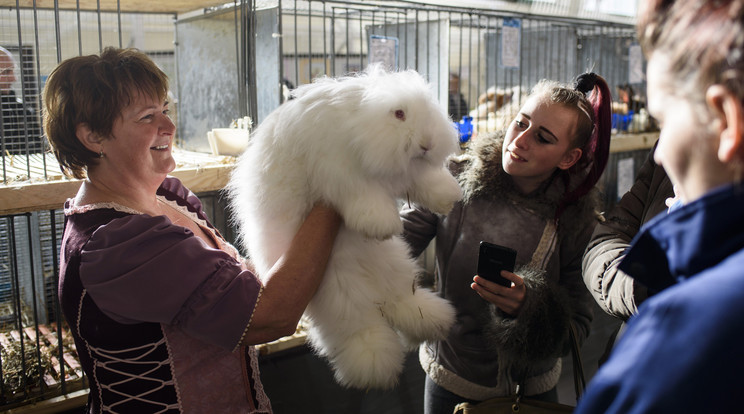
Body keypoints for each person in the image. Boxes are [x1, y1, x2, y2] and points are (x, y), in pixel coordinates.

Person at [44, 47, 341, 413]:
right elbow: (269, 315)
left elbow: (240, 282)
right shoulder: (118, 243)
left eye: (165, 110)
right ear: (93, 137)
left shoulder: (165, 197)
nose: (168, 126)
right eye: (146, 117)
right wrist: (335, 194)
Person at [400, 72, 613, 414]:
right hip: (449, 378)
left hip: (527, 393)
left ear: (568, 158)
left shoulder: (575, 222)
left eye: (543, 137)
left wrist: (531, 307)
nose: (520, 140)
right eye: (521, 122)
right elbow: (395, 242)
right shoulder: (454, 179)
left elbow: (577, 326)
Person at [576, 1, 744, 412]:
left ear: (726, 120)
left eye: (666, 121)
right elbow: (609, 234)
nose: (662, 151)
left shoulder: (675, 346)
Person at [582, 143, 673, 321]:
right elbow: (605, 241)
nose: (659, 155)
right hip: (638, 339)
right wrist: (642, 284)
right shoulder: (665, 155)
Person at [0, 46, 43, 155]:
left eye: (12, 71)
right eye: (6, 72)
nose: (14, 78)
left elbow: (37, 147)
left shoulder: (23, 110)